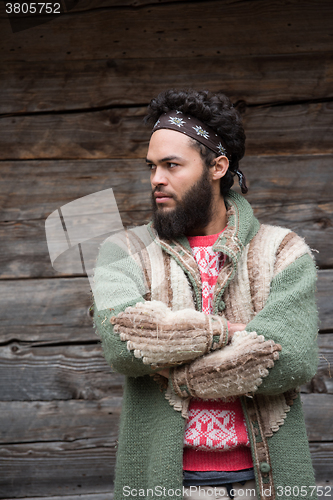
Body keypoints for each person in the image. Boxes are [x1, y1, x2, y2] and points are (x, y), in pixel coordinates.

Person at [93, 90, 318, 500]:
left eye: (172, 165)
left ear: (217, 166)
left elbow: (292, 358)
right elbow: (122, 343)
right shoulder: (122, 252)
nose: (156, 179)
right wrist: (226, 333)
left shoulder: (283, 251)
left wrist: (172, 366)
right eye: (152, 166)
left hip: (266, 483)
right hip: (164, 485)